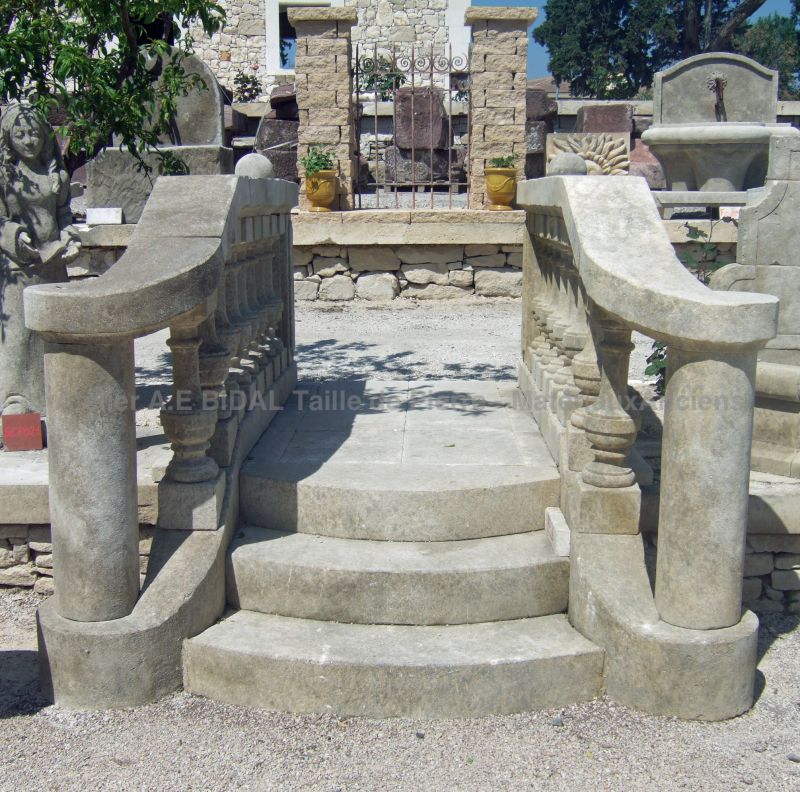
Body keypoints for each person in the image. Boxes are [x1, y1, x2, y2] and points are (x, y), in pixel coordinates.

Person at [0, 103, 81, 424]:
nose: (28, 140)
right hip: (17, 266)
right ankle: (16, 398)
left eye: (33, 133)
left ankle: (55, 395)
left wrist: (71, 235)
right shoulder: (5, 174)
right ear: (8, 137)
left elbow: (62, 214)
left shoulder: (54, 173)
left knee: (52, 331)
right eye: (20, 134)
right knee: (20, 336)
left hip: (52, 263)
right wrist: (15, 237)